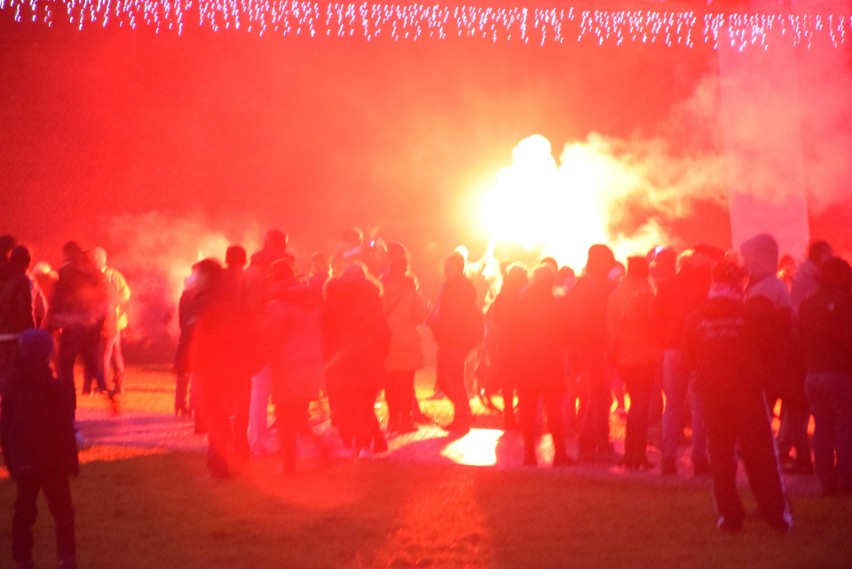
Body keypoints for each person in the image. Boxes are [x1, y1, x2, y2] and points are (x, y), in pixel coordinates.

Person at [683, 260, 793, 533]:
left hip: (712, 395)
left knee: (720, 458)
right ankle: (776, 515)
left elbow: (688, 357)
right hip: (747, 394)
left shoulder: (696, 317)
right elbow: (771, 352)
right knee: (762, 457)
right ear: (739, 284)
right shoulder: (750, 314)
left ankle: (729, 517)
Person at [1, 329, 79, 569]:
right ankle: (66, 559)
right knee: (63, 512)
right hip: (52, 461)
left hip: (25, 459)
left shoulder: (14, 386)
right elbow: (65, 426)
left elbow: (5, 428)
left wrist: (12, 462)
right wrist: (70, 461)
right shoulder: (54, 387)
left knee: (24, 510)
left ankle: (22, 558)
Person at [189, 258, 257, 478]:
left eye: (197, 275)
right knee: (221, 416)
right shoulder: (233, 298)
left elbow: (197, 337)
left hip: (212, 367)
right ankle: (222, 465)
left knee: (215, 418)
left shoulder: (206, 301)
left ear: (206, 277)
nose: (193, 279)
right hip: (234, 367)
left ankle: (220, 469)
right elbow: (250, 332)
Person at [259, 260, 326, 473]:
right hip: (311, 363)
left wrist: (260, 357)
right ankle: (320, 449)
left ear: (274, 279)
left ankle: (288, 464)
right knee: (298, 415)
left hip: (287, 365)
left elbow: (271, 337)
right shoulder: (310, 299)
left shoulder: (277, 304)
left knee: (285, 417)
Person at [322, 262, 390, 456]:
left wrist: (327, 357)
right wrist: (381, 353)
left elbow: (325, 331)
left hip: (340, 358)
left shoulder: (332, 298)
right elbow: (383, 331)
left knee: (344, 403)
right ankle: (363, 443)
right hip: (368, 357)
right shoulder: (372, 300)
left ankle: (348, 441)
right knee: (365, 403)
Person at [799, 256, 852, 496]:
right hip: (840, 374)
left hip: (813, 374)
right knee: (845, 426)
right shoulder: (847, 300)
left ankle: (826, 482)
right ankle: (847, 480)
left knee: (822, 427)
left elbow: (799, 338)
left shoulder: (808, 302)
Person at [42, 242, 116, 414]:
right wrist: (103, 322)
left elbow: (57, 300)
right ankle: (111, 396)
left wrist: (51, 323)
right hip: (91, 328)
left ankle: (69, 408)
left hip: (72, 329)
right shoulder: (95, 273)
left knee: (65, 368)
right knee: (93, 366)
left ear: (69, 255)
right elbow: (106, 300)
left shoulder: (66, 273)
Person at [516, 264, 573, 467]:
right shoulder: (554, 302)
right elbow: (565, 332)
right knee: (554, 408)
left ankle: (529, 454)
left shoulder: (522, 301)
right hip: (550, 360)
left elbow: (514, 330)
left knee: (528, 410)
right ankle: (560, 453)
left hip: (526, 360)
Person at [564, 244, 617, 462]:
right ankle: (592, 443)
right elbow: (583, 320)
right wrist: (601, 340)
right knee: (599, 395)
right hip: (594, 347)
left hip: (588, 347)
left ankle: (595, 442)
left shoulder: (582, 285)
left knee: (597, 395)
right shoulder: (592, 286)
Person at [607, 256, 660, 469]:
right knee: (641, 404)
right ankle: (636, 452)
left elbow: (611, 326)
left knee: (635, 402)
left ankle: (632, 452)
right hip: (646, 354)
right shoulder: (646, 293)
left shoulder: (617, 293)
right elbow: (654, 322)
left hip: (624, 356)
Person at [428, 250, 483, 435]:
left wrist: (442, 327)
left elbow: (453, 315)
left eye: (447, 266)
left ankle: (462, 417)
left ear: (453, 267)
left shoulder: (457, 286)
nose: (444, 269)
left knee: (453, 379)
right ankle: (464, 412)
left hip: (453, 339)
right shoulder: (455, 285)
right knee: (446, 379)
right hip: (451, 339)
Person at [380, 243, 427, 434]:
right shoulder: (411, 289)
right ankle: (406, 420)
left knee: (390, 384)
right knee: (406, 384)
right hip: (407, 343)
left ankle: (393, 419)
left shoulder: (380, 288)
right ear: (405, 269)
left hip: (387, 342)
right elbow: (420, 316)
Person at [84, 247, 131, 395]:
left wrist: (112, 305)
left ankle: (103, 385)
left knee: (104, 354)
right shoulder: (94, 275)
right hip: (107, 320)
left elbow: (125, 294)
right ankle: (118, 385)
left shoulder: (112, 275)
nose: (91, 262)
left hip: (111, 320)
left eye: (94, 259)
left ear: (102, 260)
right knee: (115, 353)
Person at [490, 262, 528, 431]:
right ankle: (523, 413)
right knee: (523, 381)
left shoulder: (503, 295)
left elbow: (496, 319)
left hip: (506, 342)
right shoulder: (526, 294)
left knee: (508, 381)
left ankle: (509, 415)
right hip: (523, 342)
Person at [0, 245, 36, 395]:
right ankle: (9, 412)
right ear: (26, 262)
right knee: (14, 376)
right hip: (14, 335)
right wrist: (31, 332)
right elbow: (25, 310)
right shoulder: (21, 280)